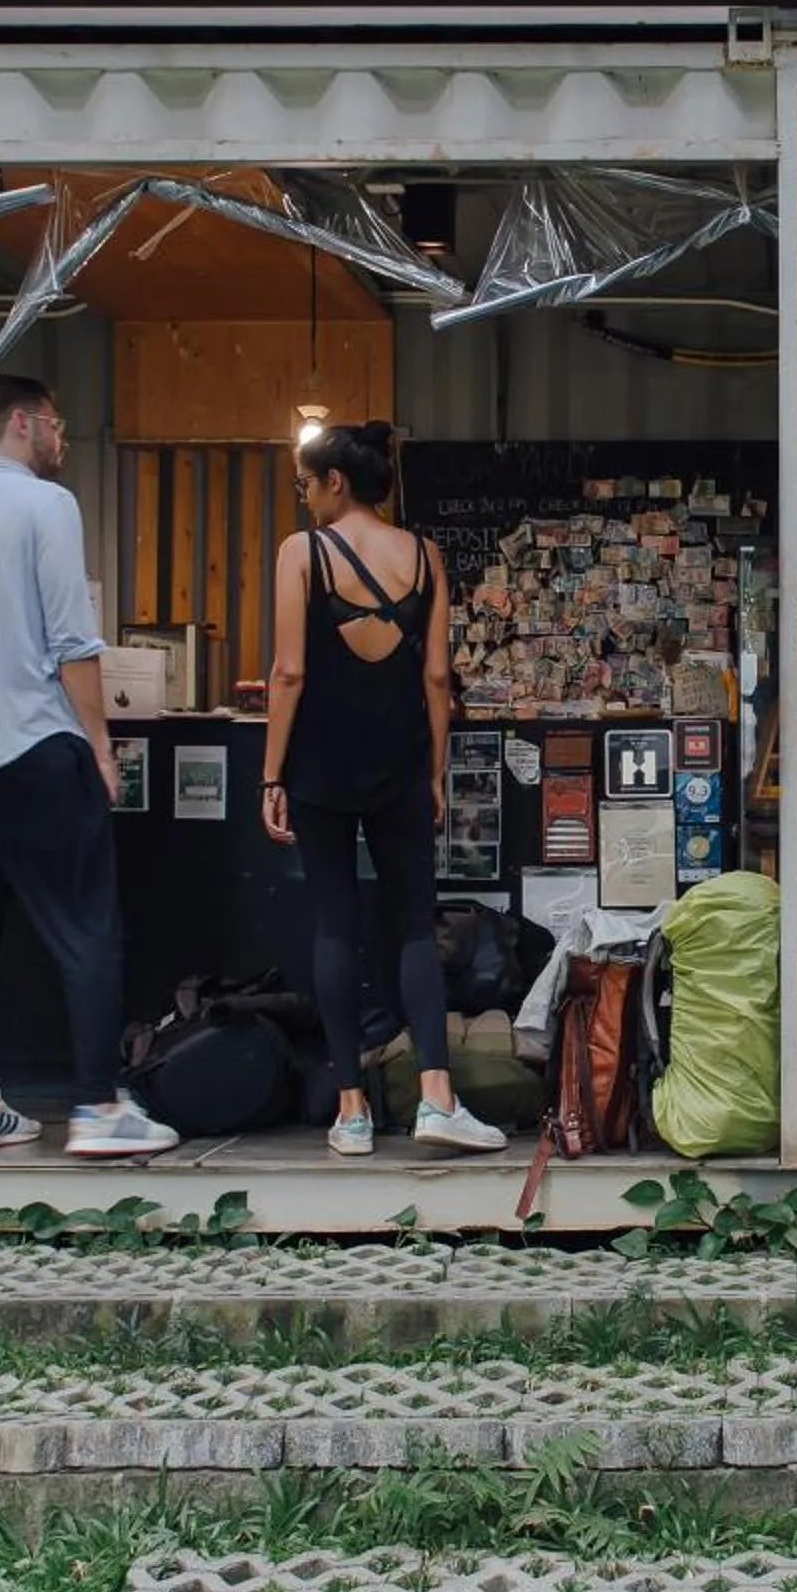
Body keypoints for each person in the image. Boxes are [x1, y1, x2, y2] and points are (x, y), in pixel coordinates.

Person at [0, 375, 175, 1160]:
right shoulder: (48, 506)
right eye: (55, 424)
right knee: (87, 928)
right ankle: (96, 1107)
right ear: (21, 424)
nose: (62, 437)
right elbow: (71, 641)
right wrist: (99, 744)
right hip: (35, 746)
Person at [259, 422, 507, 1160]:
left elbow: (290, 674)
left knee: (335, 927)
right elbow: (436, 679)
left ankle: (353, 1113)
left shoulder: (301, 554)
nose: (304, 497)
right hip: (399, 763)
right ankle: (436, 1098)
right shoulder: (426, 557)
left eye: (306, 483)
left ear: (336, 481)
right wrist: (433, 771)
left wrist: (272, 773)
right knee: (410, 925)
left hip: (320, 765)